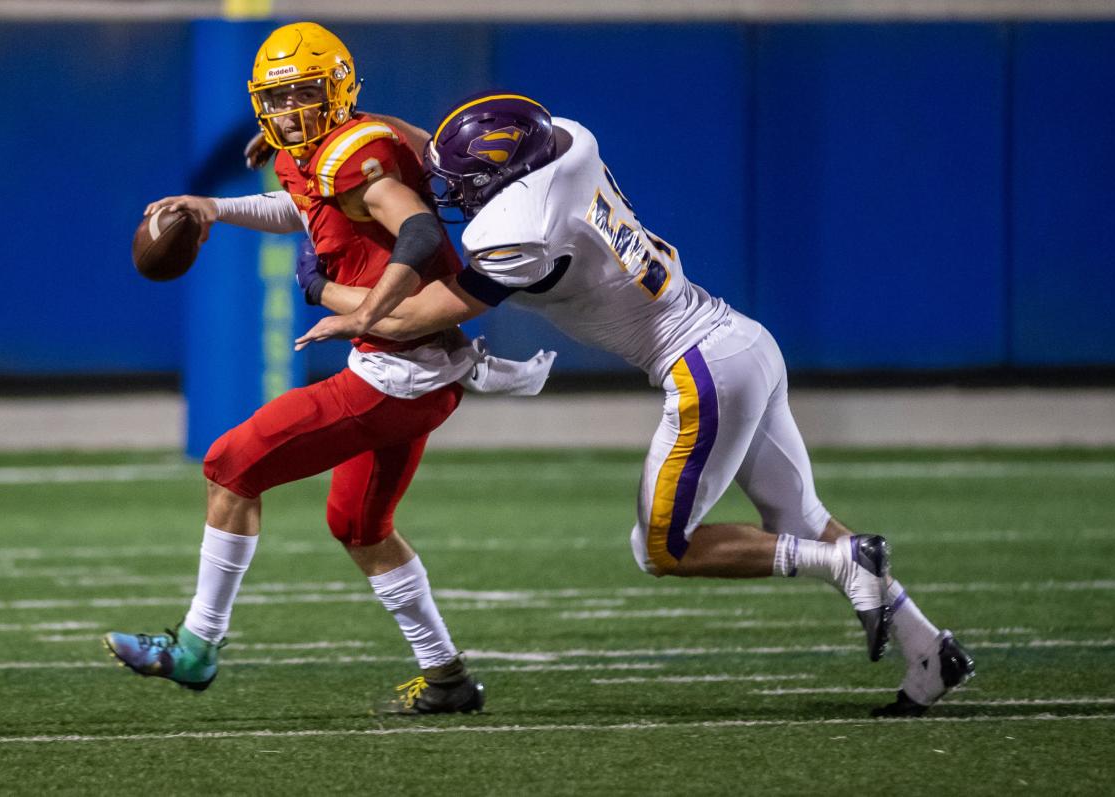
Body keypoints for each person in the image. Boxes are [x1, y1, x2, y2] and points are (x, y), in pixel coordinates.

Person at [294, 92, 975, 717]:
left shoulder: (516, 233)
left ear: (500, 183)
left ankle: (843, 562)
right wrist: (349, 133)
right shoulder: (566, 140)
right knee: (797, 516)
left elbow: (414, 316)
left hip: (702, 368)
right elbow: (441, 151)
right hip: (739, 339)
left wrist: (327, 295)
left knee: (661, 546)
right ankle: (928, 652)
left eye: (464, 184)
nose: (449, 193)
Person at [104, 27, 552, 715]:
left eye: (306, 93)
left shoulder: (355, 154)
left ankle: (197, 646)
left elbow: (422, 231)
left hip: (395, 375)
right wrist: (213, 208)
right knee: (358, 524)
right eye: (278, 98)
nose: (290, 111)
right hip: (422, 372)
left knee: (229, 464)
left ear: (338, 90)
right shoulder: (315, 149)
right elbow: (306, 208)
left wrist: (367, 309)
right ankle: (448, 678)